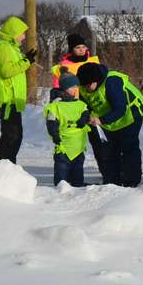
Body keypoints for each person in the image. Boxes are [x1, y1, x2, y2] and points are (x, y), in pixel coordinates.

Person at [77, 62, 143, 187]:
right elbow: (84, 106)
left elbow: (120, 109)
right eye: (83, 85)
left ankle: (132, 182)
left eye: (88, 85)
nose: (85, 88)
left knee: (128, 147)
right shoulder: (83, 87)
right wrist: (87, 116)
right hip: (107, 117)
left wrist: (101, 120)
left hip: (130, 114)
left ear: (96, 81)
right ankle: (112, 182)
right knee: (109, 150)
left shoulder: (112, 82)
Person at [50, 33, 107, 181]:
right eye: (77, 47)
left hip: (93, 106)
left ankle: (106, 173)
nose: (81, 50)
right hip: (72, 110)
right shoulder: (64, 67)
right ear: (71, 49)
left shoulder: (94, 61)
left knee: (98, 143)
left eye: (83, 47)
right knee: (73, 145)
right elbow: (57, 90)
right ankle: (67, 178)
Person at [0, 16, 36, 164]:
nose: (23, 37)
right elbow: (7, 71)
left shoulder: (9, 47)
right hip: (7, 100)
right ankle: (4, 168)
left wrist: (24, 59)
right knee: (12, 137)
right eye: (22, 33)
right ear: (14, 33)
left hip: (11, 99)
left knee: (13, 136)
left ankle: (7, 168)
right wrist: (26, 62)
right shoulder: (4, 47)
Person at [43, 73, 92, 187]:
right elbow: (51, 122)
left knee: (78, 166)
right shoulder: (55, 106)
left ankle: (78, 184)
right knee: (62, 166)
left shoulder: (80, 104)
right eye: (73, 87)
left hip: (78, 144)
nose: (76, 89)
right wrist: (55, 135)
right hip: (63, 144)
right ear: (65, 88)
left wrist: (84, 119)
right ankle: (61, 186)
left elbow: (86, 113)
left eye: (77, 86)